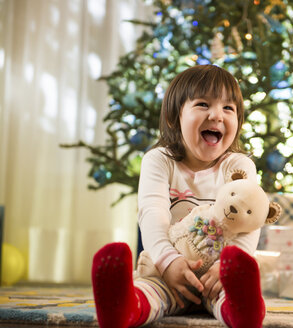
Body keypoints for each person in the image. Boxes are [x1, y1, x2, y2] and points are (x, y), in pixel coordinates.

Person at [91, 65, 266, 328]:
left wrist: (228, 266)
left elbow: (250, 220)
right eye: (203, 104)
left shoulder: (239, 167)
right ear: (175, 117)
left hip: (217, 276)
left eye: (228, 108)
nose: (217, 115)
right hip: (167, 271)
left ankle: (244, 314)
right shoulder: (159, 160)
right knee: (149, 291)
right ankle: (121, 309)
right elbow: (152, 213)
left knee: (231, 295)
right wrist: (167, 261)